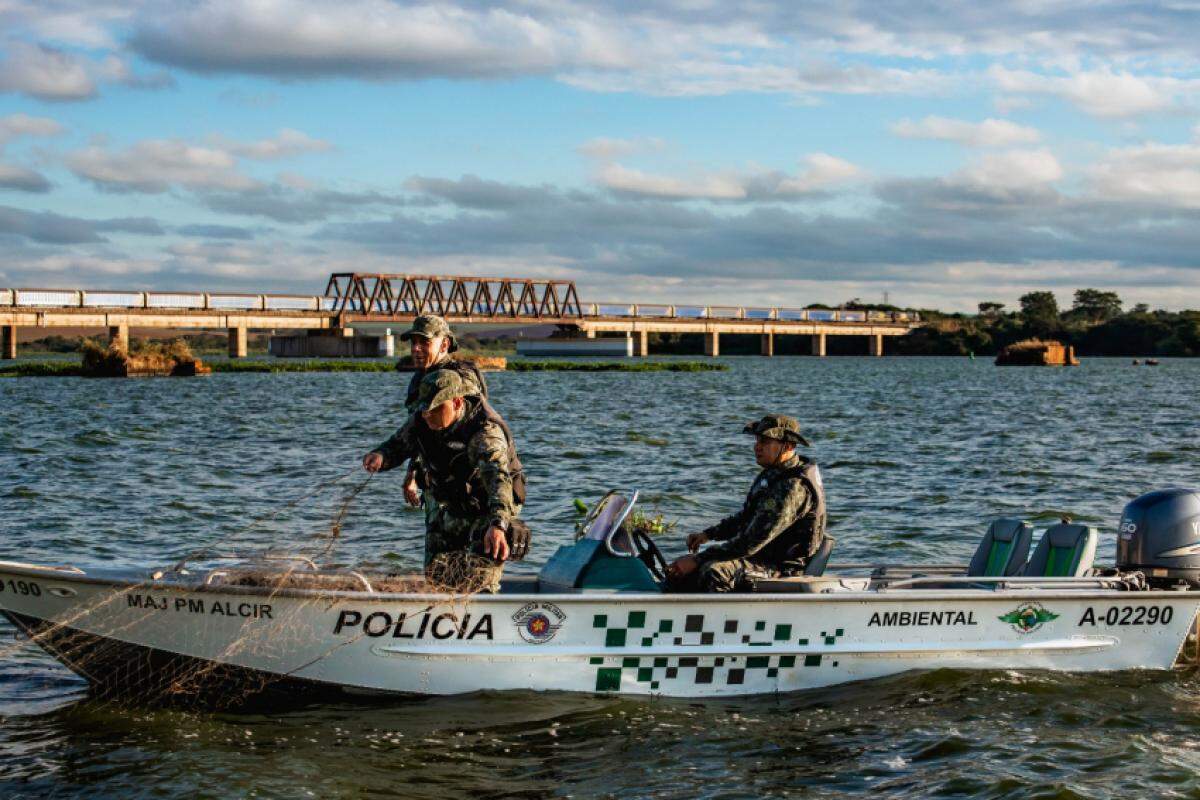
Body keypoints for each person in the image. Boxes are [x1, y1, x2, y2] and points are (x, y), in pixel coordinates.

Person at [362, 370, 525, 593]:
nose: (428, 415)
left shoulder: (485, 434)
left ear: (457, 403)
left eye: (436, 409)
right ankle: (441, 616)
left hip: (491, 506)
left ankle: (484, 610)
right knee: (440, 576)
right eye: (425, 410)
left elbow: (499, 481)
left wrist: (499, 525)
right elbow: (398, 444)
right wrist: (381, 456)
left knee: (479, 580)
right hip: (452, 501)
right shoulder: (424, 418)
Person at [667, 414, 826, 592]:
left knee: (715, 572)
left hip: (781, 568)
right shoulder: (774, 474)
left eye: (765, 441)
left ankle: (725, 618)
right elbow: (746, 518)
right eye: (757, 439)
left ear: (788, 446)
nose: (756, 446)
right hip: (760, 559)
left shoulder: (793, 488)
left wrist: (697, 559)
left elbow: (752, 541)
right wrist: (708, 535)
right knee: (681, 574)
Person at [397, 315, 487, 509]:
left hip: (468, 491)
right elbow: (419, 432)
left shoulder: (460, 379)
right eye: (414, 342)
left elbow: (479, 433)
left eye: (424, 342)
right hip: (435, 488)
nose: (415, 348)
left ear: (444, 344)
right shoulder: (419, 380)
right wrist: (412, 473)